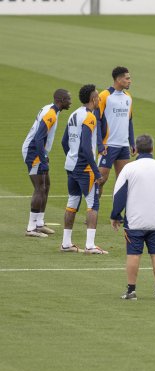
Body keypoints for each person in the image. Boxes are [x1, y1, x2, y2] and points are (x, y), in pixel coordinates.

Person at [111, 134, 155, 300]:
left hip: (135, 221)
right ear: (153, 149)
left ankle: (131, 291)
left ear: (135, 149)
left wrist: (116, 215)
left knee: (133, 254)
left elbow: (119, 194)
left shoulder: (129, 168)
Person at [60, 84, 106, 254]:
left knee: (72, 202)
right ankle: (90, 245)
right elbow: (87, 147)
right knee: (93, 204)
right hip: (84, 167)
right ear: (93, 99)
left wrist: (71, 157)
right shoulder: (90, 117)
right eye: (98, 97)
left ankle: (66, 243)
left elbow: (64, 141)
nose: (99, 99)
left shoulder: (74, 114)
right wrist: (96, 171)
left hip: (71, 166)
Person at [22, 89, 72, 237]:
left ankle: (39, 223)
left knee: (46, 185)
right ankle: (31, 228)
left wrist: (44, 154)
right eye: (68, 99)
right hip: (33, 151)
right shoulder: (51, 114)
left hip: (38, 151)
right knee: (40, 187)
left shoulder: (51, 110)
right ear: (61, 100)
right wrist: (42, 158)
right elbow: (38, 138)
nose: (70, 101)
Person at [97, 66, 135, 195]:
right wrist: (99, 144)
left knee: (123, 182)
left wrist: (132, 142)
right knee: (101, 179)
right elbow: (97, 120)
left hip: (123, 146)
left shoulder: (128, 97)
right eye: (127, 78)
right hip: (108, 145)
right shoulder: (104, 96)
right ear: (118, 79)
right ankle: (93, 208)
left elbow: (129, 120)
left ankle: (117, 213)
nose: (130, 81)